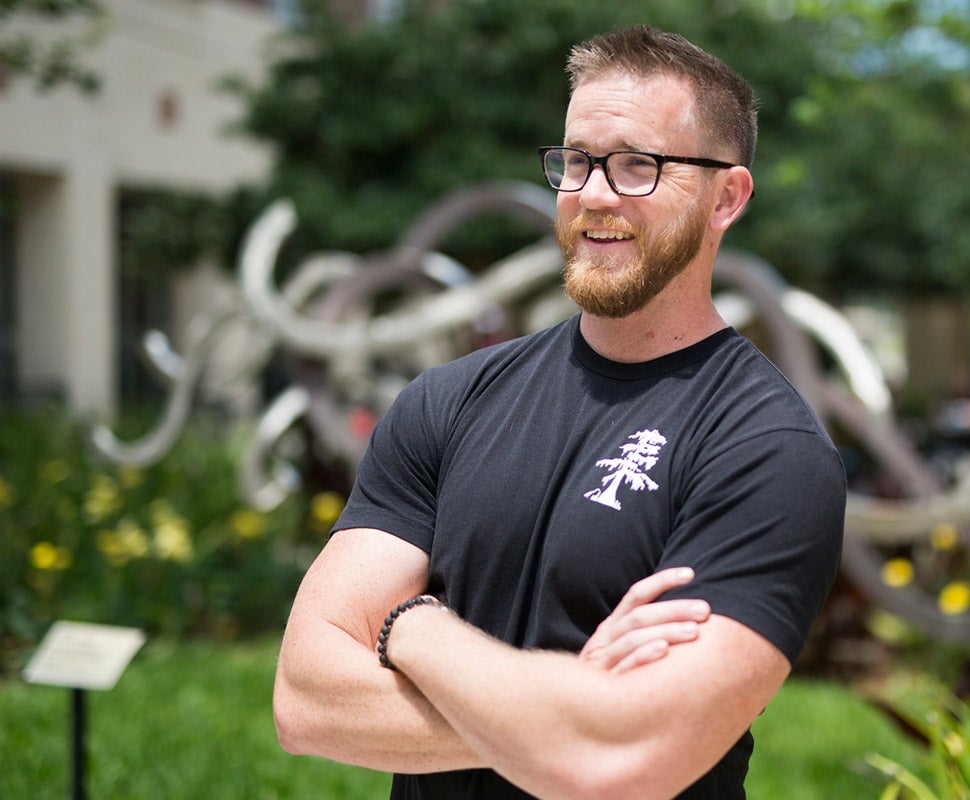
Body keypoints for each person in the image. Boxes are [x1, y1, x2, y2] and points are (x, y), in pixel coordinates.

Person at [273, 24, 846, 800]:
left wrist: (411, 627)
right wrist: (566, 708)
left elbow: (623, 760)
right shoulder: (449, 401)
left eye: (640, 165)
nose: (595, 194)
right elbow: (305, 701)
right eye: (577, 161)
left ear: (727, 197)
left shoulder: (768, 448)